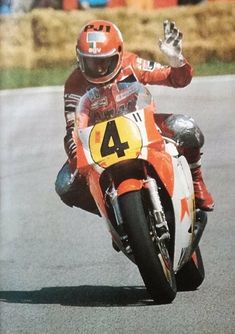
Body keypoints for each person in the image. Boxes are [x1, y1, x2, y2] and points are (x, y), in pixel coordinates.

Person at [55, 19, 214, 215]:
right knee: (64, 184)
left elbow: (177, 79)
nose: (98, 68)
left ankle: (196, 182)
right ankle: (113, 212)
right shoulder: (74, 83)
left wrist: (176, 60)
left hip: (139, 126)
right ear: (80, 58)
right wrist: (77, 157)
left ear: (119, 54)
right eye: (90, 61)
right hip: (100, 143)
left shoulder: (131, 63)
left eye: (104, 61)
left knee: (186, 127)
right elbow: (72, 127)